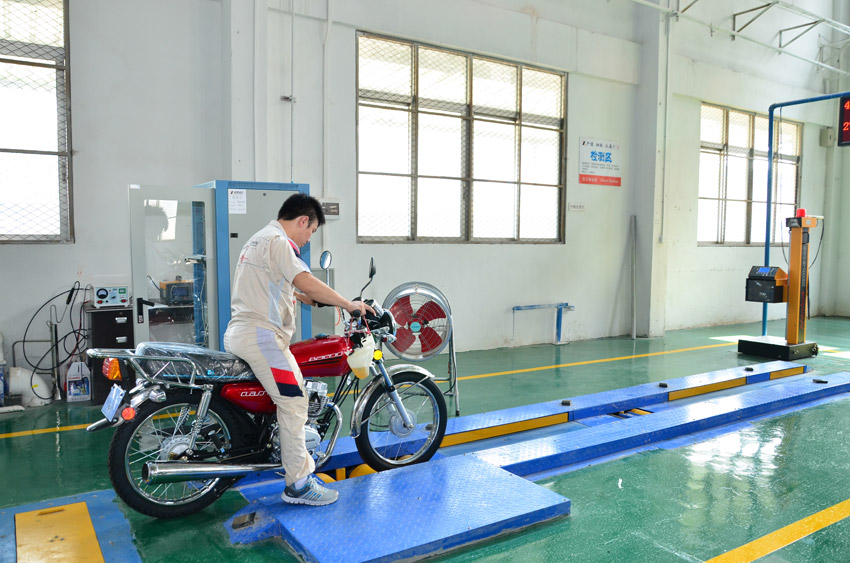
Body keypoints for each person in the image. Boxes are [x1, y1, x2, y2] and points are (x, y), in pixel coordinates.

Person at [223, 193, 372, 506]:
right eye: (311, 231)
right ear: (303, 220)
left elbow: (282, 288)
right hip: (263, 337)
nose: (308, 239)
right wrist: (348, 304)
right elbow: (305, 280)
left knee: (282, 397)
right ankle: (299, 484)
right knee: (294, 401)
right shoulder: (279, 242)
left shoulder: (257, 239)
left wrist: (314, 299)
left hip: (242, 331)